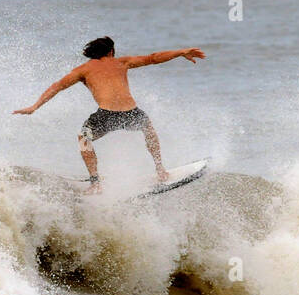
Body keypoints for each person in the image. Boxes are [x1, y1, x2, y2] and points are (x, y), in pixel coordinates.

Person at [14, 36, 206, 193]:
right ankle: (160, 170)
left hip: (107, 115)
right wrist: (180, 52)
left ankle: (96, 183)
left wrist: (35, 106)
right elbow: (154, 57)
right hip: (131, 112)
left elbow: (57, 86)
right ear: (111, 51)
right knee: (148, 129)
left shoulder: (83, 69)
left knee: (83, 138)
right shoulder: (121, 62)